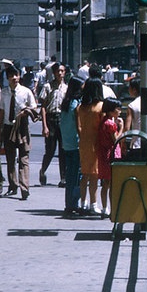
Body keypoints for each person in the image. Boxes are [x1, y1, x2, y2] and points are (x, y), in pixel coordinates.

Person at [0, 66, 38, 200]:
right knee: (10, 159)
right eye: (11, 76)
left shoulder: (26, 92)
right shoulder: (3, 93)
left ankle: (24, 187)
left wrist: (26, 111)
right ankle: (12, 185)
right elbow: (2, 112)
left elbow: (33, 107)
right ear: (7, 78)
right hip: (8, 127)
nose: (14, 78)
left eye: (16, 75)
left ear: (20, 76)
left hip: (22, 127)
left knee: (23, 158)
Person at [76, 77, 105, 215]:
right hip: (95, 142)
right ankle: (94, 203)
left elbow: (79, 127)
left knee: (85, 174)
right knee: (94, 174)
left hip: (83, 142)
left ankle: (83, 202)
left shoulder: (80, 107)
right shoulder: (100, 107)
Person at [38, 62, 67, 187]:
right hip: (50, 119)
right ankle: (43, 171)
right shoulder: (47, 87)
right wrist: (44, 125)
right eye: (57, 71)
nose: (60, 73)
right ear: (54, 73)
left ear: (65, 72)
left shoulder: (67, 88)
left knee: (63, 150)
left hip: (63, 119)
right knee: (50, 150)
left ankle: (63, 177)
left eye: (62, 71)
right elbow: (43, 107)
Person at [59, 76, 84, 216]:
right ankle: (73, 203)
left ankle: (69, 203)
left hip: (67, 143)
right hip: (75, 143)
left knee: (70, 175)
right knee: (76, 177)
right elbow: (78, 126)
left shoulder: (66, 103)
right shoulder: (76, 105)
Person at [96, 97, 123, 219]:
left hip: (103, 154)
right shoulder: (111, 124)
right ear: (112, 111)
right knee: (112, 184)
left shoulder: (103, 121)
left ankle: (104, 208)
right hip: (111, 155)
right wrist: (121, 128)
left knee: (105, 183)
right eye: (118, 109)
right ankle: (113, 209)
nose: (120, 111)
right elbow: (116, 139)